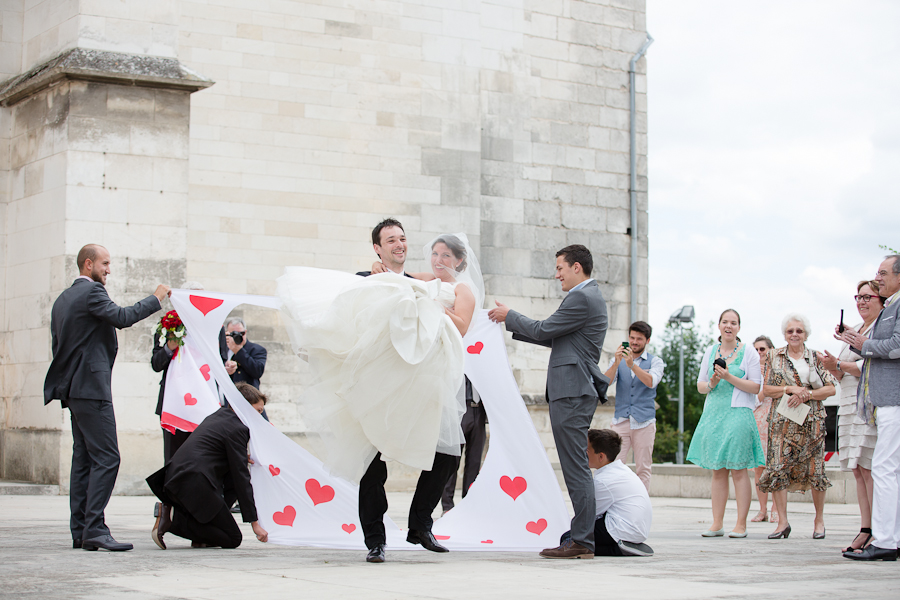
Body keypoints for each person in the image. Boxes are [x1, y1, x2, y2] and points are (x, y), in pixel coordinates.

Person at [276, 219, 481, 563]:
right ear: (378, 248)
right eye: (391, 240)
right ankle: (375, 540)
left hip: (416, 387)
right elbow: (340, 320)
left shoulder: (422, 283)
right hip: (373, 388)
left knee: (447, 452)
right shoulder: (364, 281)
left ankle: (419, 524)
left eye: (402, 238)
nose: (399, 244)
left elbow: (447, 307)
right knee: (371, 466)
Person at [43, 244, 169, 551]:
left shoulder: (62, 300)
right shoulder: (92, 294)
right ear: (88, 265)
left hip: (73, 390)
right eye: (105, 263)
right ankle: (96, 529)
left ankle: (81, 531)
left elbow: (58, 345)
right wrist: (156, 298)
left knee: (84, 460)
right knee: (108, 457)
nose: (109, 269)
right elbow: (123, 317)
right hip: (91, 389)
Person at [488, 244, 609, 559]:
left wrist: (509, 315)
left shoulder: (582, 297)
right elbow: (554, 335)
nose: (557, 275)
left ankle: (582, 540)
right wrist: (509, 322)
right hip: (572, 390)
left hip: (571, 391)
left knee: (575, 467)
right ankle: (581, 536)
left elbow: (545, 329)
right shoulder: (587, 297)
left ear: (576, 268)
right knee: (574, 466)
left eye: (560, 268)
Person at [147, 382, 269, 550]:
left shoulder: (219, 415)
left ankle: (201, 532)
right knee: (232, 538)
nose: (259, 417)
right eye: (257, 411)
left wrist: (239, 457)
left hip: (177, 477)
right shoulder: (238, 428)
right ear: (241, 407)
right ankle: (173, 520)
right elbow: (242, 478)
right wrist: (254, 523)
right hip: (193, 482)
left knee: (231, 484)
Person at [839, 255, 900, 561]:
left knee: (885, 468)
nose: (879, 278)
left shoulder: (898, 307)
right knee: (889, 469)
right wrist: (856, 340)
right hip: (886, 400)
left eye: (884, 273)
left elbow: (897, 346)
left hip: (894, 399)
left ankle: (886, 541)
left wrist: (864, 345)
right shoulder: (891, 307)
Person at [757, 313, 836, 540]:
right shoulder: (774, 356)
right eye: (790, 331)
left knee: (816, 470)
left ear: (806, 335)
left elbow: (830, 389)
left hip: (812, 422)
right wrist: (790, 389)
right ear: (784, 334)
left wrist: (807, 394)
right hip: (782, 423)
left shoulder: (815, 358)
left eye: (799, 331)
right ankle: (782, 522)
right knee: (778, 468)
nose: (794, 334)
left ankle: (819, 520)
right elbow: (768, 389)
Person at [687, 309, 764, 538]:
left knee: (739, 469)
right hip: (714, 413)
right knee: (718, 470)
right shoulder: (710, 351)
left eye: (733, 323)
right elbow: (700, 386)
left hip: (739, 413)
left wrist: (729, 376)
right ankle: (716, 523)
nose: (729, 326)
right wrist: (712, 382)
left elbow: (755, 387)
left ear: (739, 327)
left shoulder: (748, 351)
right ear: (719, 326)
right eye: (725, 322)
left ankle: (741, 524)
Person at [821, 281, 882, 553]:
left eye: (868, 296)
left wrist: (840, 365)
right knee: (857, 470)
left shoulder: (882, 328)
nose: (862, 301)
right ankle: (865, 527)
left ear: (881, 300)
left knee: (869, 468)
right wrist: (833, 366)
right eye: (858, 297)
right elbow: (843, 374)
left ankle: (880, 531)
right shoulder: (855, 331)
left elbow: (868, 366)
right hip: (846, 400)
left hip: (867, 401)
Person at [563, 429, 653, 557]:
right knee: (576, 535)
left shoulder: (603, 481)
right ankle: (623, 546)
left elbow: (588, 516)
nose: (582, 453)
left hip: (621, 529)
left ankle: (617, 549)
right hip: (636, 529)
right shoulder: (621, 470)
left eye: (586, 451)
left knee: (569, 539)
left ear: (601, 456)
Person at [602, 320, 665, 491]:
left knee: (643, 468)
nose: (635, 342)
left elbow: (651, 381)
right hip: (621, 420)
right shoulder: (619, 360)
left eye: (639, 339)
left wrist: (633, 366)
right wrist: (616, 363)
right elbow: (605, 383)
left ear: (647, 341)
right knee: (613, 465)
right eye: (632, 338)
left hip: (644, 421)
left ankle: (641, 507)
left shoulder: (656, 361)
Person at [152, 281, 206, 463]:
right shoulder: (167, 325)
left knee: (201, 456)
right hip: (173, 400)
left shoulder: (213, 329)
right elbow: (156, 364)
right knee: (173, 458)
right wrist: (169, 347)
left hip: (203, 402)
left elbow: (220, 361)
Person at [441, 380, 487, 514]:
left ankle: (469, 504)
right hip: (458, 408)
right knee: (452, 460)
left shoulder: (481, 360)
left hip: (478, 410)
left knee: (474, 461)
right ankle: (447, 506)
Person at [751, 335, 776, 523]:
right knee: (759, 468)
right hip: (757, 420)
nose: (760, 353)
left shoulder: (778, 369)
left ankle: (777, 508)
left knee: (775, 467)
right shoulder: (751, 370)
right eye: (757, 349)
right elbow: (755, 397)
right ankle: (762, 509)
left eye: (763, 349)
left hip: (774, 419)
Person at [223, 317, 267, 390]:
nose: (238, 337)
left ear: (245, 332)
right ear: (227, 333)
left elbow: (257, 371)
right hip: (224, 393)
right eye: (234, 334)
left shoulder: (257, 349)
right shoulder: (222, 349)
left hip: (246, 395)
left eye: (241, 333)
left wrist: (239, 351)